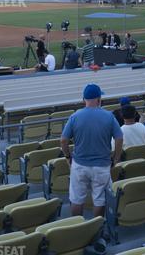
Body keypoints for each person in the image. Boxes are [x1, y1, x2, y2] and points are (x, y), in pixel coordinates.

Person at [60, 84, 123, 217]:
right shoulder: (109, 116)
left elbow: (63, 140)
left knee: (77, 198)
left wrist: (67, 157)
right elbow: (119, 139)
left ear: (84, 99)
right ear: (99, 99)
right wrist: (116, 159)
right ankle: (97, 227)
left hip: (80, 165)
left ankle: (77, 227)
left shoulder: (75, 116)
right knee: (100, 199)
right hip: (102, 166)